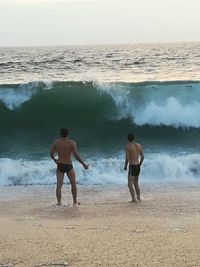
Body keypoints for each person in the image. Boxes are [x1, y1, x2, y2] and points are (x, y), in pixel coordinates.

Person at [50, 128, 89, 206]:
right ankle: (74, 202)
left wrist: (55, 159)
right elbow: (76, 156)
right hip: (68, 165)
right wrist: (83, 164)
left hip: (60, 165)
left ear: (60, 134)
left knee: (59, 185)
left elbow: (51, 154)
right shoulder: (71, 143)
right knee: (73, 183)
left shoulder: (56, 143)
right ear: (67, 134)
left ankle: (59, 202)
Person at [124, 133, 144, 203]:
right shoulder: (138, 145)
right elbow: (143, 157)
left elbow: (127, 158)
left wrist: (125, 166)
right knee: (136, 183)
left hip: (132, 166)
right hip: (137, 166)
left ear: (128, 138)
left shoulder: (127, 146)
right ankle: (138, 197)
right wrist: (139, 165)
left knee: (129, 184)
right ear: (134, 138)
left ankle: (134, 199)